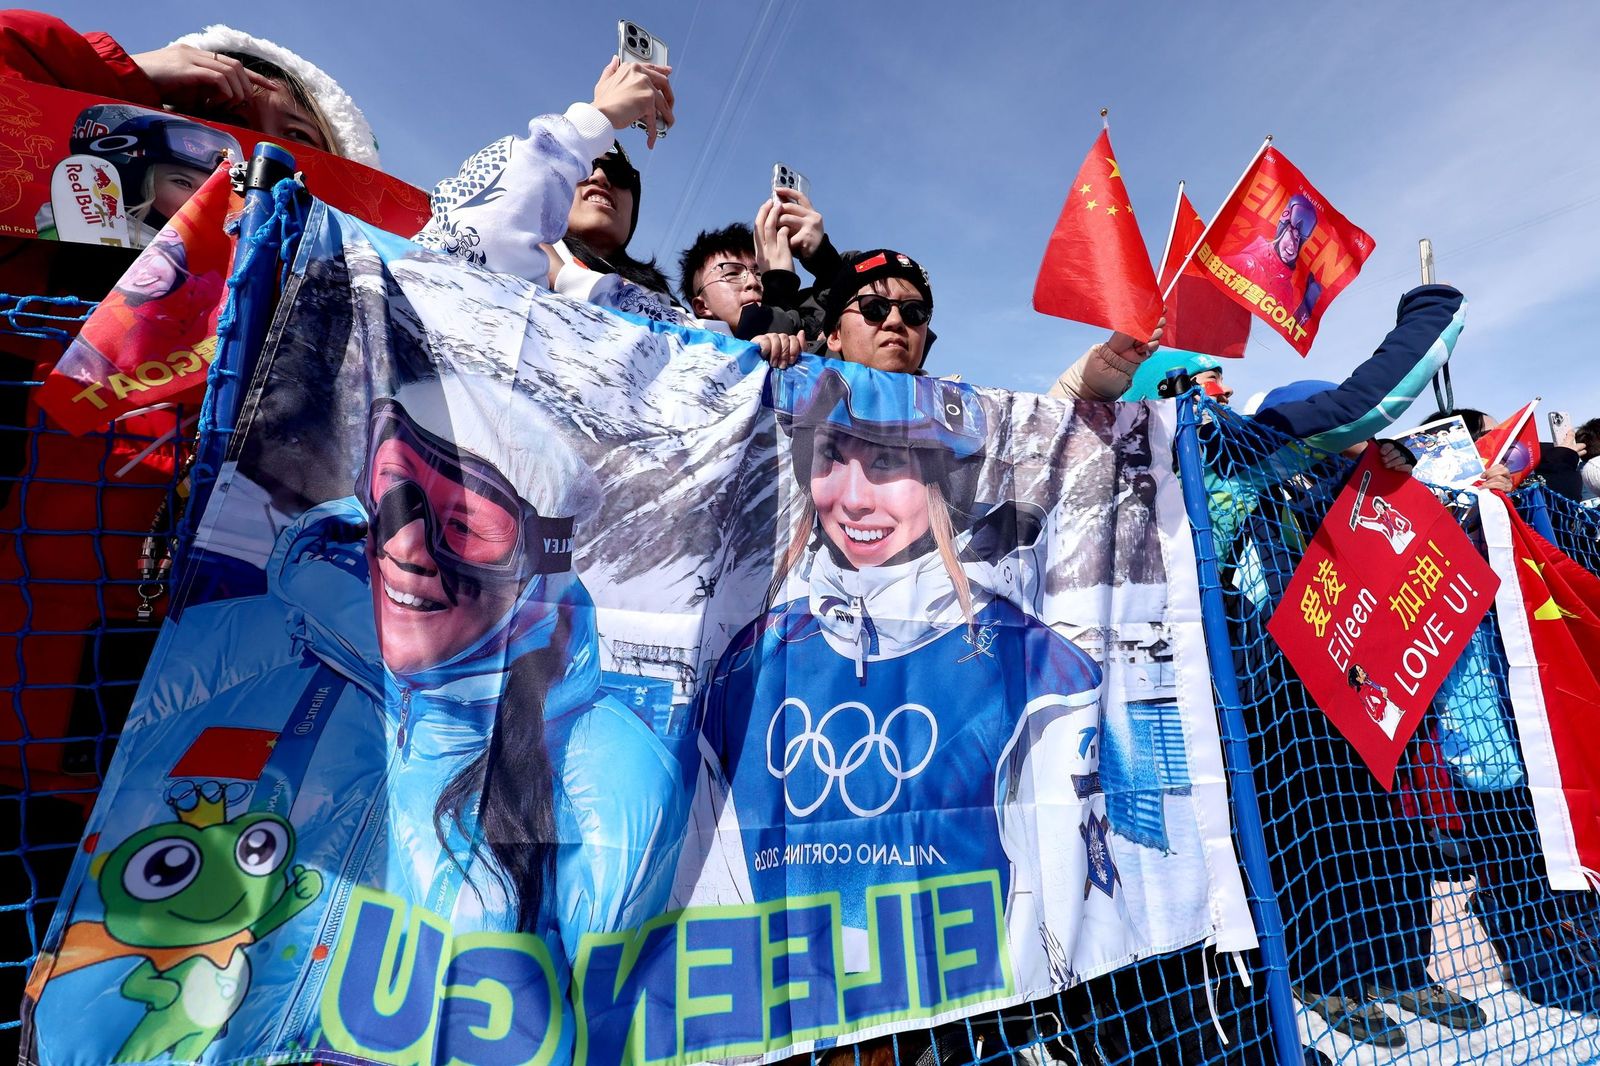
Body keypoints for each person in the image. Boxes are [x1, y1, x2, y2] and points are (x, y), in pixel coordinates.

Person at [23, 373, 687, 1062]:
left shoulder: (605, 768)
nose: (405, 547)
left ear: (536, 564)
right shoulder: (240, 647)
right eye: (393, 497)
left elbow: (609, 1015)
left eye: (464, 526)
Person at [696, 363, 1122, 1059]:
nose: (855, 498)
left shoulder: (1031, 661)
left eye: (889, 462)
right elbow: (718, 875)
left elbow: (1061, 896)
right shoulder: (753, 655)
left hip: (957, 1028)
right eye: (832, 456)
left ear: (941, 482)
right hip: (784, 1024)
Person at [1220, 194, 1322, 327]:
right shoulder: (1250, 263)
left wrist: (1306, 306)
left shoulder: (1286, 290)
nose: (1293, 245)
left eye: (1298, 240)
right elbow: (1212, 269)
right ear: (1281, 231)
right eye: (1291, 234)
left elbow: (1289, 328)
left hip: (1237, 338)